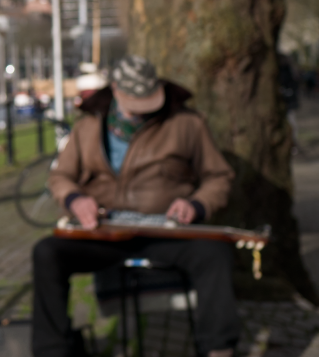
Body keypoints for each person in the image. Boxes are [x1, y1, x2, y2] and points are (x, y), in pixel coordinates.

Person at [33, 55, 239, 357]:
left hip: (168, 232)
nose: (143, 112)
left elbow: (219, 177)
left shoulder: (187, 123)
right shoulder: (88, 126)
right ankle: (52, 351)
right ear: (115, 90)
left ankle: (219, 349)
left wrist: (196, 205)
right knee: (46, 253)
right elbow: (61, 176)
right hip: (103, 233)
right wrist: (76, 200)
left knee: (215, 253)